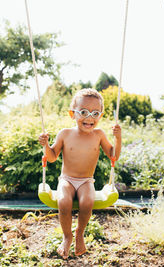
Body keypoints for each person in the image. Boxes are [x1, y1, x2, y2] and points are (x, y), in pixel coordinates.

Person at [38, 88, 122, 259]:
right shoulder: (65, 134)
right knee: (63, 202)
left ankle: (80, 233)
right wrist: (45, 145)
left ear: (100, 115)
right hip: (67, 180)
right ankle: (67, 236)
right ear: (72, 113)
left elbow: (113, 155)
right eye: (83, 112)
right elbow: (52, 157)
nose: (89, 117)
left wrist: (118, 138)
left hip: (86, 181)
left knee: (87, 202)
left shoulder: (99, 135)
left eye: (95, 113)